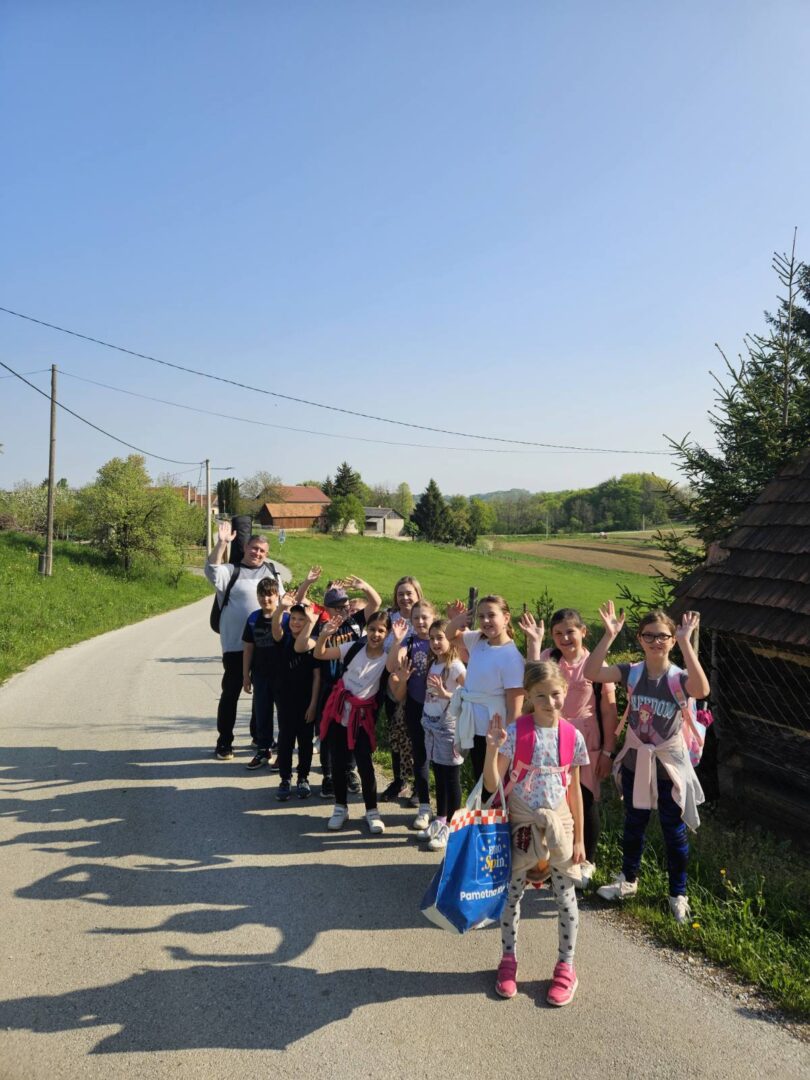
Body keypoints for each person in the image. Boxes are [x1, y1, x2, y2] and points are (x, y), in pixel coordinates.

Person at [583, 604, 709, 923]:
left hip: (669, 766)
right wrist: (609, 636)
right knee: (634, 824)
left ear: (671, 640)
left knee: (673, 830)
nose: (656, 641)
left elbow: (702, 689)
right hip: (636, 760)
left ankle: (678, 894)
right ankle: (628, 880)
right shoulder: (632, 672)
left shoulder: (679, 678)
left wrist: (686, 642)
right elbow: (592, 673)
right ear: (640, 639)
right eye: (649, 636)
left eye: (662, 636)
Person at [483, 661, 589, 1006]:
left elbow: (574, 790)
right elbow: (492, 785)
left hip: (560, 826)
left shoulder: (573, 737)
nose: (549, 702)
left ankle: (566, 966)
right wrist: (492, 748)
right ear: (528, 696)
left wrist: (579, 838)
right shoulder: (516, 733)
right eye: (540, 695)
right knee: (511, 897)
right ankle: (508, 959)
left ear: (565, 692)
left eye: (555, 694)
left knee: (565, 898)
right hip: (521, 826)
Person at [520, 607, 618, 881]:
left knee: (584, 799)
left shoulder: (596, 663)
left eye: (570, 632)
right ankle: (554, 857)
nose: (565, 638)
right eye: (558, 633)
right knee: (553, 799)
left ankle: (586, 860)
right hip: (550, 737)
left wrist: (608, 751)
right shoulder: (549, 658)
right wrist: (534, 643)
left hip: (585, 740)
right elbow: (531, 681)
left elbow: (609, 710)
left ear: (583, 632)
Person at [299, 569, 382, 798]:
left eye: (346, 605)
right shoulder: (322, 625)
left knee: (353, 729)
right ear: (329, 609)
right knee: (327, 733)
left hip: (353, 687)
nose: (345, 609)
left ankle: (349, 771)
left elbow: (376, 603)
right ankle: (328, 775)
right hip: (330, 686)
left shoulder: (355, 621)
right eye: (340, 607)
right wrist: (322, 634)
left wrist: (364, 587)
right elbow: (304, 646)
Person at [205, 522, 283, 759]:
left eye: (262, 550)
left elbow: (282, 603)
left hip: (265, 646)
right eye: (254, 548)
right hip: (235, 646)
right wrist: (221, 543)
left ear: (267, 554)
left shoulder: (271, 572)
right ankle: (224, 742)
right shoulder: (231, 571)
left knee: (263, 694)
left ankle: (259, 736)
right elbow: (211, 569)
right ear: (246, 547)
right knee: (231, 693)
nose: (257, 553)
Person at [314, 610, 392, 834]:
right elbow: (320, 654)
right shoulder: (353, 648)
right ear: (366, 629)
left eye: (381, 630)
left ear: (387, 634)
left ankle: (372, 811)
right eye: (372, 629)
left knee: (365, 766)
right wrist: (324, 635)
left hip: (363, 718)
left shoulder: (387, 658)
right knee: (338, 763)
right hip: (339, 713)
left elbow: (395, 666)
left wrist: (398, 638)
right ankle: (340, 807)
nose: (375, 634)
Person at [445, 594, 525, 784]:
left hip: (492, 732)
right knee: (478, 778)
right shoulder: (478, 640)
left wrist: (507, 745)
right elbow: (450, 636)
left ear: (506, 618)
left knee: (490, 784)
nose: (486, 621)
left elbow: (515, 709)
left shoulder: (512, 657)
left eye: (491, 615)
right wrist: (456, 620)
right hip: (473, 725)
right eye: (481, 616)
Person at [386, 599, 436, 830]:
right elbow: (392, 666)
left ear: (434, 618)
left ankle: (446, 812)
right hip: (416, 706)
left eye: (425, 617)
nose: (420, 621)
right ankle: (425, 806)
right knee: (420, 755)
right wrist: (397, 640)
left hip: (441, 710)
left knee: (445, 761)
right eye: (416, 618)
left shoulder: (440, 640)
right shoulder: (411, 641)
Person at [418, 618, 466, 850]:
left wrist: (446, 693)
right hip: (431, 724)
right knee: (438, 772)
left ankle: (452, 826)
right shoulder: (435, 662)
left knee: (451, 776)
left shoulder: (455, 666)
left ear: (451, 639)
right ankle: (440, 818)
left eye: (440, 638)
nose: (436, 642)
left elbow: (468, 693)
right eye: (432, 638)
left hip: (448, 727)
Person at [272, 595, 321, 800]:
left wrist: (313, 704)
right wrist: (280, 609)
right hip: (285, 699)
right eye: (293, 618)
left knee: (305, 742)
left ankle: (303, 778)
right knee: (285, 740)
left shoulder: (313, 641)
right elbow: (275, 627)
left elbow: (317, 677)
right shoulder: (283, 638)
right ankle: (285, 778)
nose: (296, 622)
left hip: (306, 701)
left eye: (301, 619)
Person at [379, 576, 423, 802]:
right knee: (396, 732)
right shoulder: (390, 618)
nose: (405, 598)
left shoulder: (423, 618)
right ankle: (399, 780)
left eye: (409, 593)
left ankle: (419, 784)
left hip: (418, 684)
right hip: (392, 683)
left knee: (417, 735)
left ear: (418, 595)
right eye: (400, 594)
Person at [242, 578, 282, 770]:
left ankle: (283, 752)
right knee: (262, 713)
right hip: (260, 675)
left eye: (269, 595)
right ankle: (264, 750)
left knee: (284, 715)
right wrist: (246, 675)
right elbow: (248, 648)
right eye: (261, 595)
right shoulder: (253, 618)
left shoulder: (286, 617)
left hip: (282, 676)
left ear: (277, 596)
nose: (265, 599)